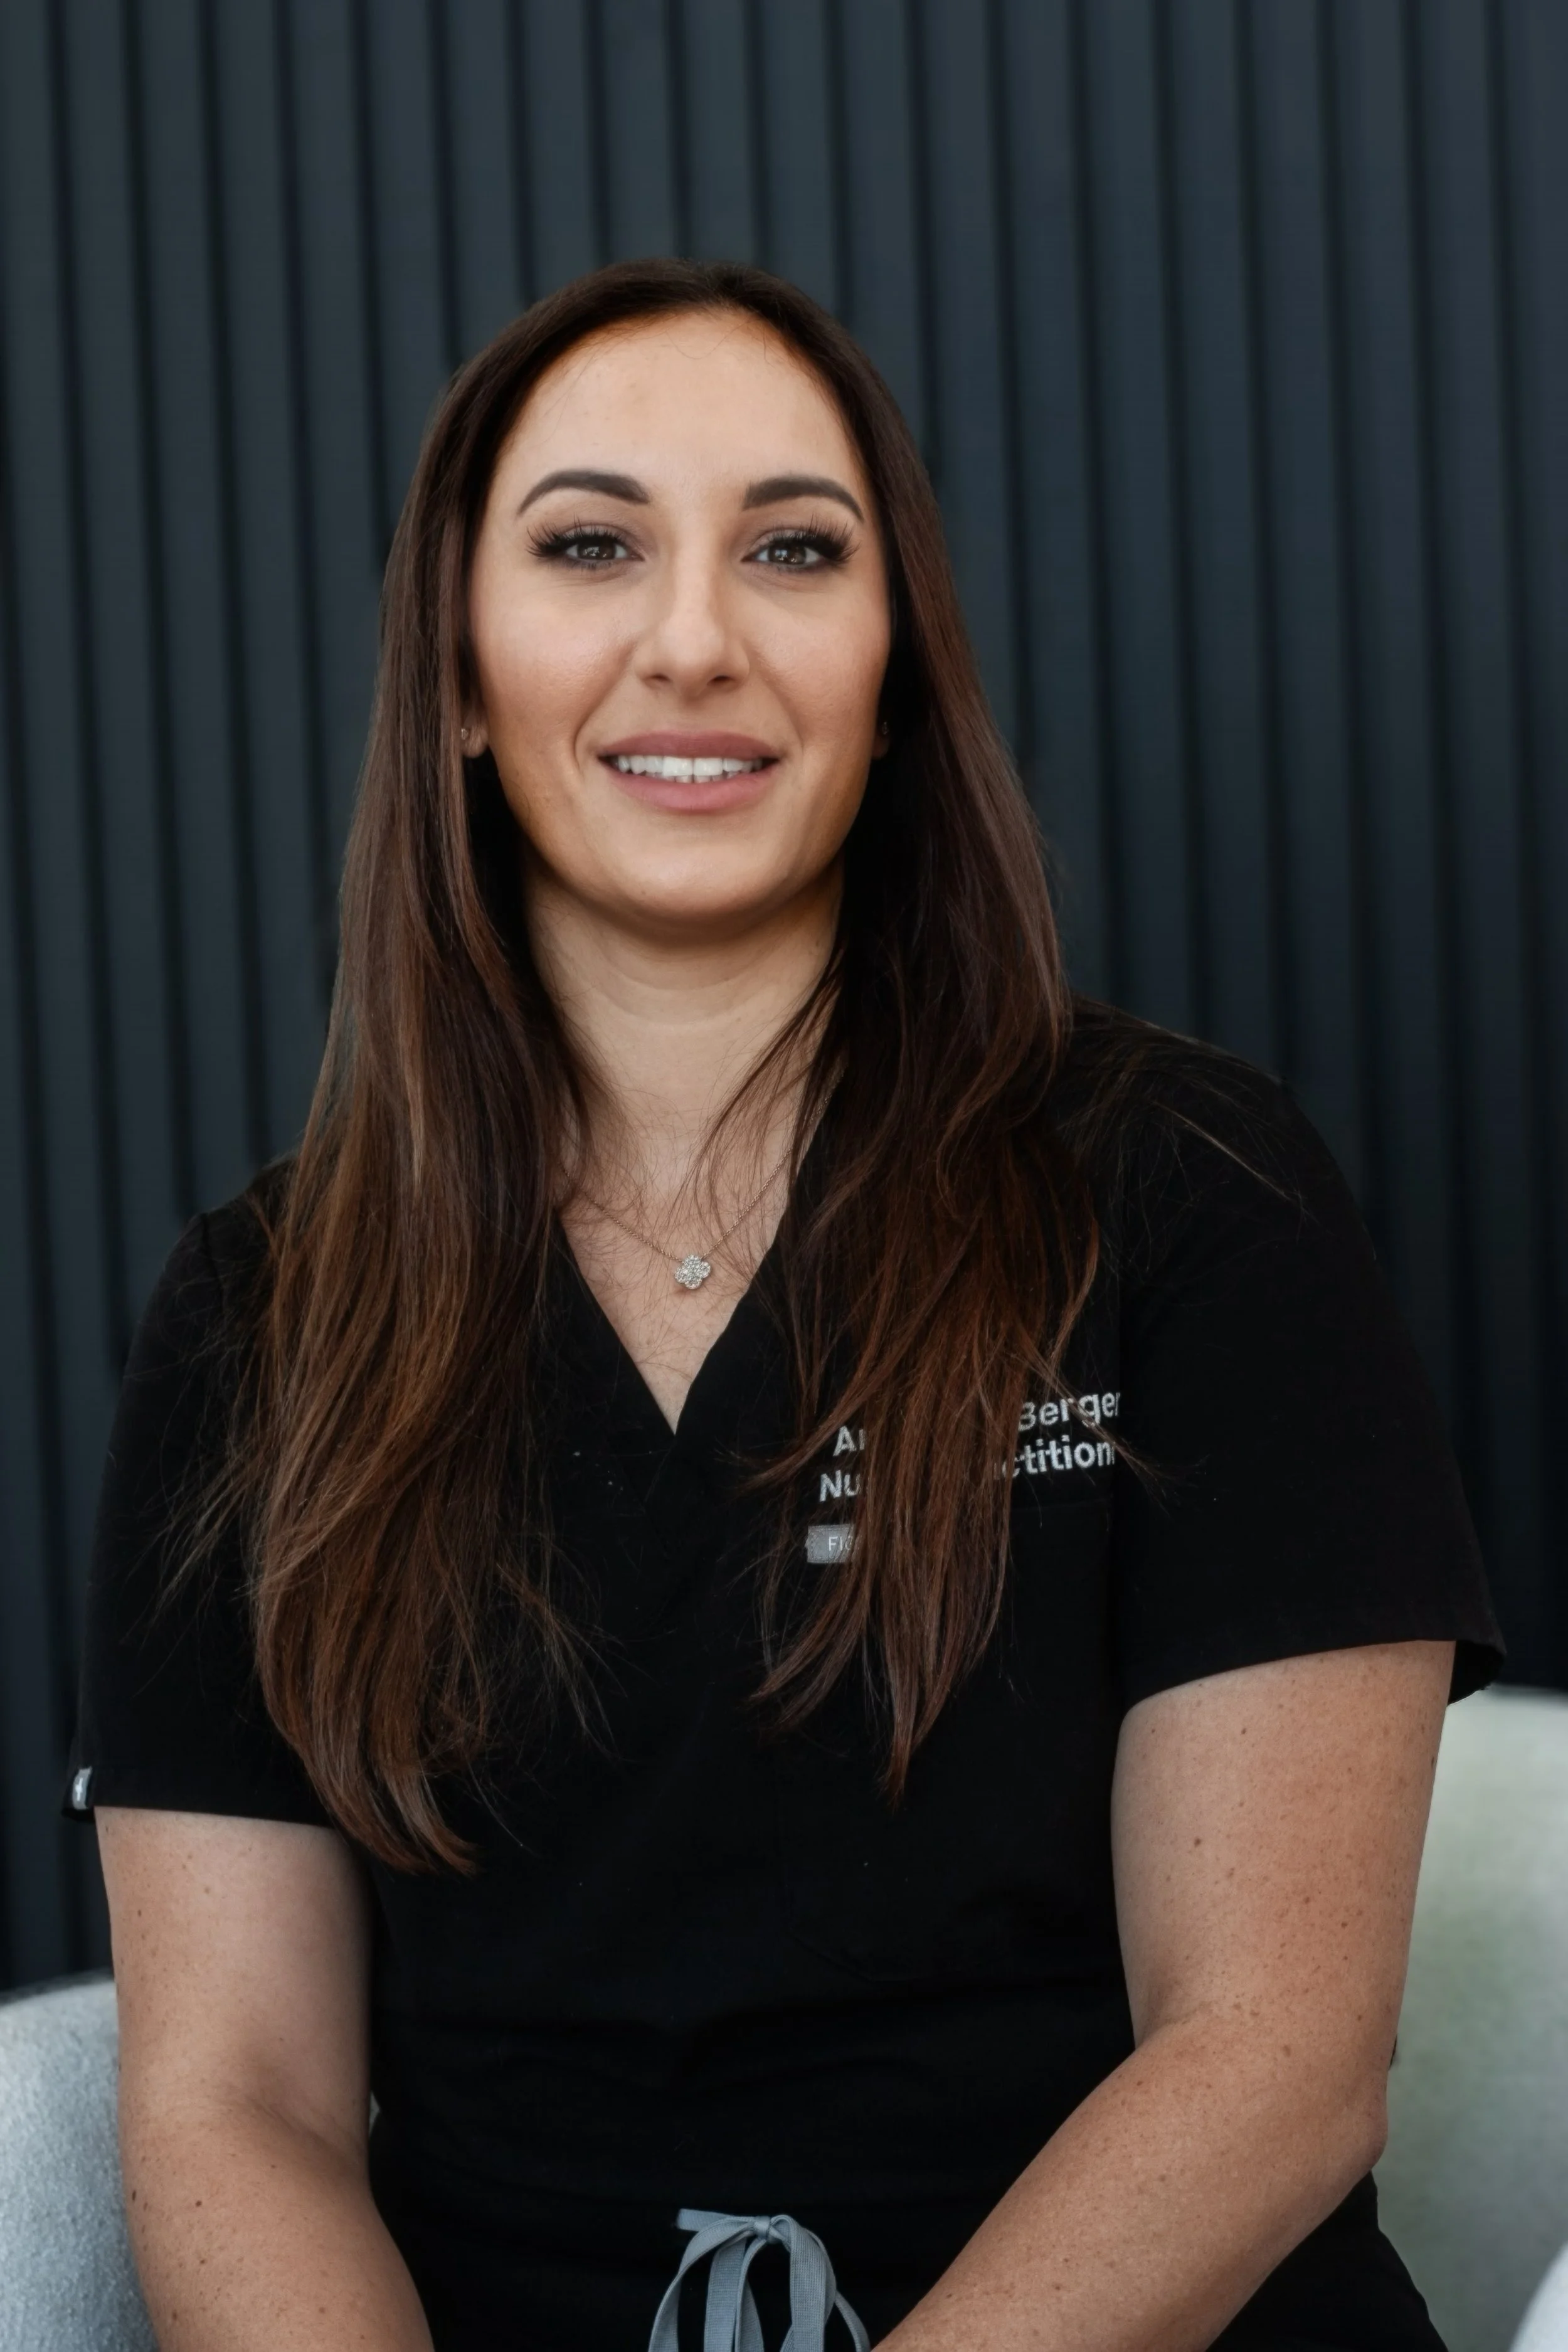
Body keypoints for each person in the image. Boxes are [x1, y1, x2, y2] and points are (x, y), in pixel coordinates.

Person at [68, 258, 1502, 2352]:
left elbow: (1272, 2055)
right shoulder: (255, 1319)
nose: (691, 640)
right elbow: (238, 2106)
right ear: (458, 671)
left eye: (792, 550)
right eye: (587, 546)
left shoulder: (1191, 1195)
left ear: (895, 663)